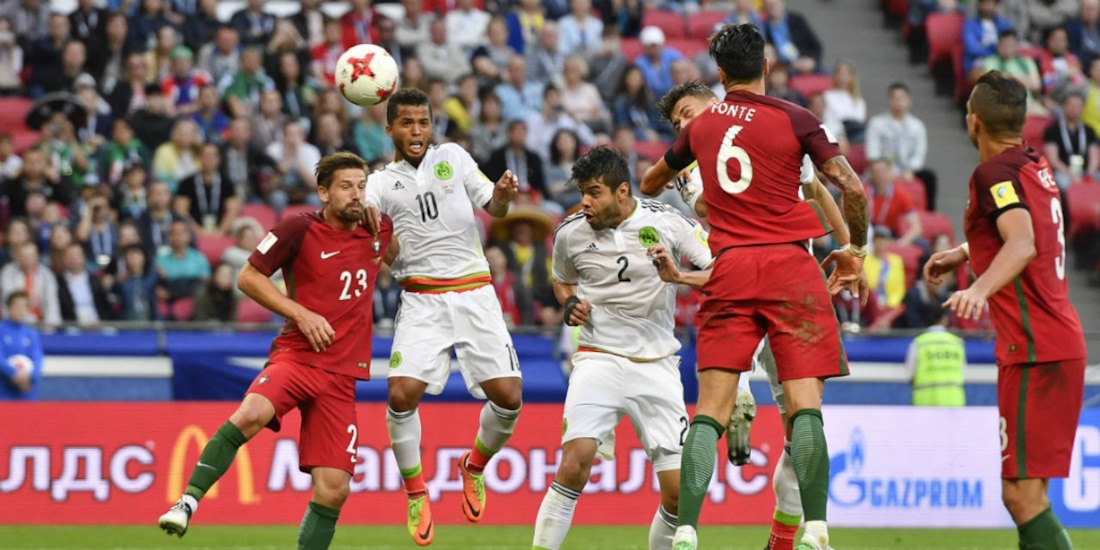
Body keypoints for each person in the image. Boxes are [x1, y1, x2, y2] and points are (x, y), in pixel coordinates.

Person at [640, 24, 869, 550]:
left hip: (732, 269)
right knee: (805, 409)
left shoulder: (701, 131)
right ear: (766, 67)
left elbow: (651, 182)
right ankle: (816, 528)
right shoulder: (796, 119)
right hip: (793, 270)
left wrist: (683, 172)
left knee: (710, 411)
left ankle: (689, 530)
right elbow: (850, 188)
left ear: (720, 77)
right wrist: (853, 251)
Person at [158, 151, 394, 549]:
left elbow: (399, 255)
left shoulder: (378, 227)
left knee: (334, 489)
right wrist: (301, 313)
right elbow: (248, 277)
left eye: (361, 186)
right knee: (251, 413)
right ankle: (186, 502)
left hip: (341, 375)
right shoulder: (297, 228)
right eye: (345, 186)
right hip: (298, 356)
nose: (356, 194)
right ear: (323, 193)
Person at [924, 70, 1086, 549]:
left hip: (1034, 349)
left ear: (974, 121)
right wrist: (965, 252)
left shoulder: (991, 174)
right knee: (1032, 494)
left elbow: (1022, 243)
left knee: (1019, 496)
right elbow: (1023, 230)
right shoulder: (1034, 164)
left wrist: (978, 289)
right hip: (1057, 342)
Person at [532, 146, 713, 550]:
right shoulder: (570, 233)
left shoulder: (667, 222)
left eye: (594, 192)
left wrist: (679, 276)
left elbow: (721, 271)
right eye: (582, 192)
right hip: (598, 358)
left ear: (622, 191)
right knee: (573, 464)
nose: (585, 201)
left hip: (656, 363)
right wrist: (569, 303)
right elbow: (562, 279)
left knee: (678, 494)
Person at [364, 88, 522, 547]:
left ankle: (473, 466)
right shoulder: (378, 183)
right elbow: (384, 245)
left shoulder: (453, 156)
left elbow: (494, 206)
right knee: (400, 393)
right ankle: (417, 492)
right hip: (421, 297)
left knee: (509, 398)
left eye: (423, 122)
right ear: (390, 129)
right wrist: (378, 236)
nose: (417, 131)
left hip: (475, 292)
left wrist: (503, 196)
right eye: (407, 123)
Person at [905, 306, 967, 406]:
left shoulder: (919, 343)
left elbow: (910, 375)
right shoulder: (957, 343)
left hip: (925, 402)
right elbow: (963, 374)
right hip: (954, 402)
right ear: (944, 319)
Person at [0, 291, 44, 401]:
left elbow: (38, 359)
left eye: (24, 307)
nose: (20, 310)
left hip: (27, 392)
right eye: (17, 306)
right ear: (9, 308)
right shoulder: (1, 330)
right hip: (4, 393)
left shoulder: (32, 334)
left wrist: (30, 376)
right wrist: (13, 373)